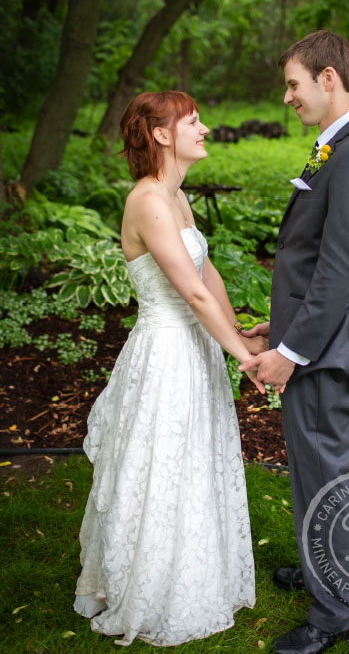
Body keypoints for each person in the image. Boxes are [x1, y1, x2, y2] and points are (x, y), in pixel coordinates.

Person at [74, 91, 266, 646]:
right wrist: (247, 359)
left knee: (193, 460)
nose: (205, 128)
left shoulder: (176, 197)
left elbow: (210, 282)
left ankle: (194, 567)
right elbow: (188, 293)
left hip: (195, 347)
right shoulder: (148, 201)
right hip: (165, 353)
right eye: (193, 121)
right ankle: (147, 583)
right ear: (161, 135)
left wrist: (242, 331)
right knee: (158, 463)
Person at [237, 31, 349, 654]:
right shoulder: (338, 147)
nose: (286, 97)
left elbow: (338, 271)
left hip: (323, 352)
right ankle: (322, 566)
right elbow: (319, 262)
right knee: (310, 469)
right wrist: (279, 326)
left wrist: (289, 352)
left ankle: (337, 614)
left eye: (294, 84)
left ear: (329, 78)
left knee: (324, 474)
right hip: (314, 338)